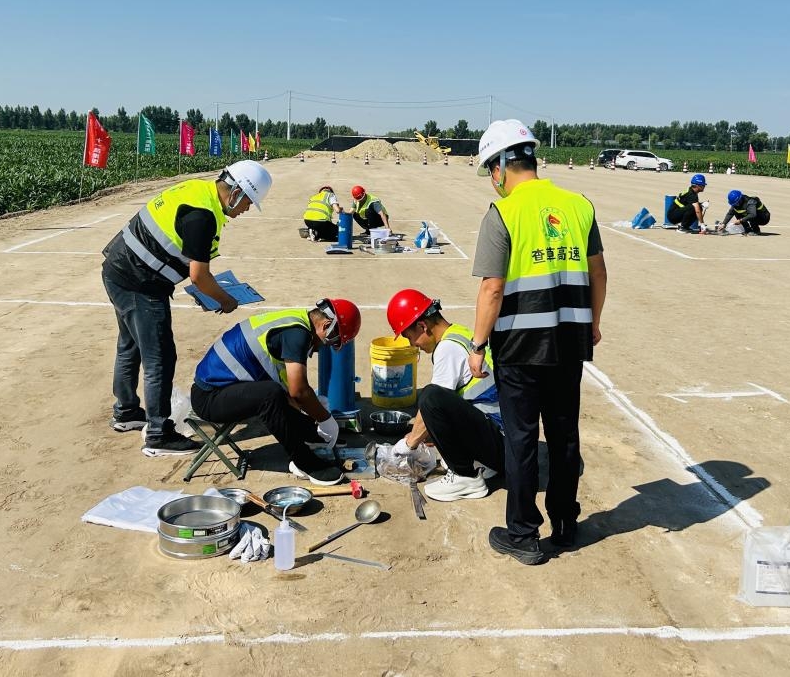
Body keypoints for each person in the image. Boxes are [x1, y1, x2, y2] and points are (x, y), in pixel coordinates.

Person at [468, 120, 607, 565]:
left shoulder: (503, 213)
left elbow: (492, 288)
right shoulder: (578, 206)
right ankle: (566, 524)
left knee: (522, 440)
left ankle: (524, 534)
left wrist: (476, 344)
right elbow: (598, 272)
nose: (493, 179)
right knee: (565, 435)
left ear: (502, 164)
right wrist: (594, 322)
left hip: (521, 347)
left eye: (491, 168)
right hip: (569, 341)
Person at [101, 160, 272, 456]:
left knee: (130, 346)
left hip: (120, 270)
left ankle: (126, 412)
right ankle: (158, 433)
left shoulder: (197, 189)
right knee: (160, 357)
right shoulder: (203, 216)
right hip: (140, 283)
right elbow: (199, 276)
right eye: (247, 202)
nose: (245, 210)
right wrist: (225, 299)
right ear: (235, 192)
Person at [189, 298, 362, 485]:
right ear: (327, 325)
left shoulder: (296, 322)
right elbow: (299, 391)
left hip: (224, 389)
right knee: (270, 395)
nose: (324, 347)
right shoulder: (298, 335)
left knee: (279, 395)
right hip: (209, 398)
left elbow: (291, 391)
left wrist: (312, 420)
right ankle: (305, 463)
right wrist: (325, 419)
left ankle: (313, 437)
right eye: (333, 340)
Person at [385, 289, 503, 502]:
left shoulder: (447, 349)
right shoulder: (458, 333)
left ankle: (465, 476)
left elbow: (435, 405)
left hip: (500, 446)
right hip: (504, 438)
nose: (413, 345)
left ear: (422, 326)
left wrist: (409, 444)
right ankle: (479, 464)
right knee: (434, 410)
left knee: (430, 397)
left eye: (410, 337)